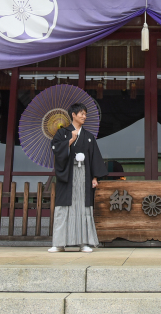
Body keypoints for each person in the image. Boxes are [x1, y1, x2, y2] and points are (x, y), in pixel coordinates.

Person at [48, 102, 107, 252]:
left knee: (83, 207)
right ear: (73, 115)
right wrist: (70, 141)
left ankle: (84, 243)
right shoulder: (62, 133)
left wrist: (95, 177)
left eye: (85, 114)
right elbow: (55, 149)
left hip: (85, 175)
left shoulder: (88, 136)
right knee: (63, 208)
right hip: (67, 174)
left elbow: (94, 157)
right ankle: (59, 244)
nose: (84, 116)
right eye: (81, 113)